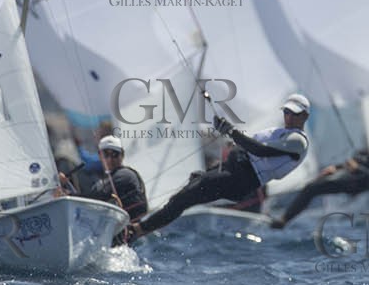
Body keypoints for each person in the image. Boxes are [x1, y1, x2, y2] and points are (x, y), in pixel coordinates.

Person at [127, 93, 312, 240]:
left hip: (241, 179)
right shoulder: (280, 132)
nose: (289, 116)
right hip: (232, 169)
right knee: (186, 192)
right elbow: (247, 144)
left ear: (304, 116)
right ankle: (142, 228)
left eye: (294, 113)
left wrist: (230, 131)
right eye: (286, 112)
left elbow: (259, 150)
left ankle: (139, 230)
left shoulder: (298, 141)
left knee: (185, 197)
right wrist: (226, 132)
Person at [269, 119, 369, 230]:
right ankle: (284, 217)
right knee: (313, 184)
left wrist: (357, 168)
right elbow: (367, 159)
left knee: (312, 188)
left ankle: (283, 220)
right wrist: (337, 167)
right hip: (354, 174)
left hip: (360, 183)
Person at [60, 135, 147, 231]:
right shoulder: (103, 181)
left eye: (115, 154)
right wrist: (64, 185)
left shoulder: (126, 175)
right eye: (106, 154)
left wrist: (67, 196)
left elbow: (99, 196)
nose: (110, 159)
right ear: (100, 155)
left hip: (127, 232)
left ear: (122, 155)